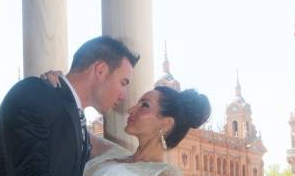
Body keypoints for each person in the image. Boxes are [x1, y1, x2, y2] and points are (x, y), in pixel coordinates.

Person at [0, 36, 140, 175]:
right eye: (123, 83)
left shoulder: (78, 123)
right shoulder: (34, 94)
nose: (124, 95)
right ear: (100, 70)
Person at [42, 72, 211, 176]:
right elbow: (73, 127)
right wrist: (61, 88)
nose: (131, 109)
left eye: (144, 105)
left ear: (166, 124)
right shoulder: (112, 152)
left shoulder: (162, 174)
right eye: (138, 103)